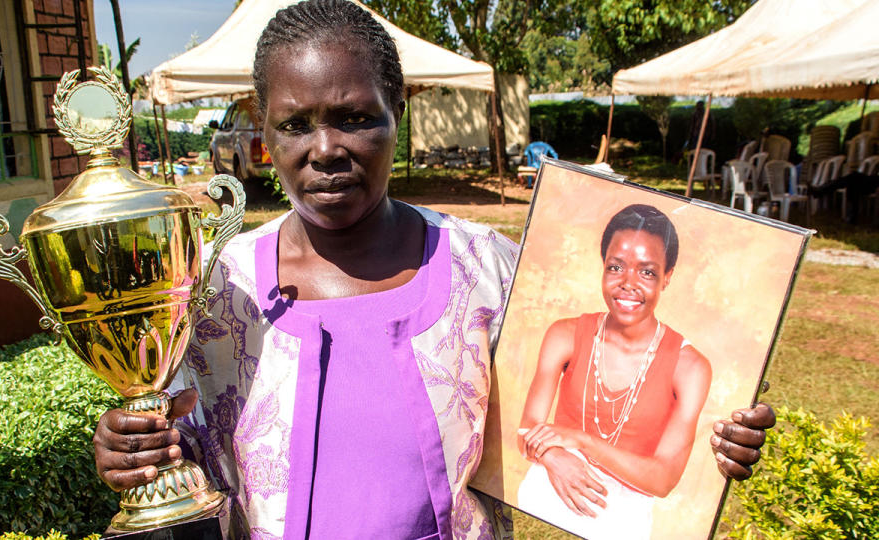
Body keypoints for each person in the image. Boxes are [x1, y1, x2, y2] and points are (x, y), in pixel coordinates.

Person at [92, 1, 776, 538]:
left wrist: (719, 431)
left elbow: (604, 402)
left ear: (400, 115)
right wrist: (136, 447)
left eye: (355, 117)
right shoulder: (218, 289)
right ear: (263, 135)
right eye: (295, 124)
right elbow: (177, 430)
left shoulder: (491, 269)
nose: (325, 148)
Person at [516, 204, 722, 540]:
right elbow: (528, 431)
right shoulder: (564, 334)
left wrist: (582, 441)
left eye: (647, 272)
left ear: (667, 277)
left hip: (621, 521)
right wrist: (554, 457)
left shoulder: (690, 367)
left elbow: (663, 479)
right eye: (616, 267)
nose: (628, 284)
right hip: (543, 498)